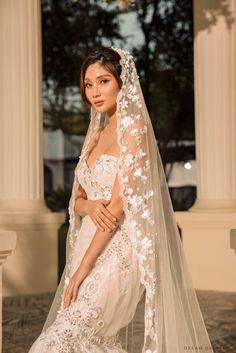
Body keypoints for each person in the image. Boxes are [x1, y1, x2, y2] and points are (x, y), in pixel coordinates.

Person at [29, 47, 215, 353]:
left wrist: (81, 271)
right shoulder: (95, 134)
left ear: (122, 82)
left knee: (61, 339)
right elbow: (77, 197)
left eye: (103, 81)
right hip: (87, 245)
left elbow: (116, 207)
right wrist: (87, 206)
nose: (94, 92)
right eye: (88, 84)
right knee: (88, 339)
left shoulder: (135, 130)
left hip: (119, 251)